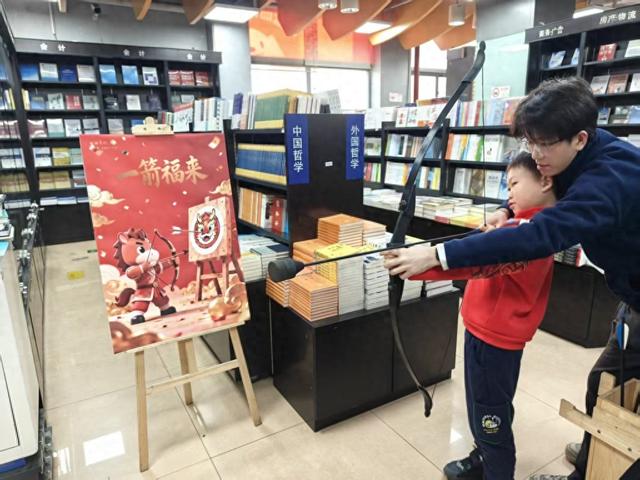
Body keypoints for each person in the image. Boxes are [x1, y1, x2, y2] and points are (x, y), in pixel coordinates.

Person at [383, 76, 640, 480]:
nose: (535, 154)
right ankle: (593, 459)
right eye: (530, 142)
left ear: (579, 139)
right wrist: (507, 210)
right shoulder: (574, 151)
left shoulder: (609, 179)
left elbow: (537, 236)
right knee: (603, 384)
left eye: (544, 144)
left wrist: (434, 255)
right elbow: (541, 189)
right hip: (632, 294)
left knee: (614, 392)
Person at [404, 152, 557, 480]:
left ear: (545, 181)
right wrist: (504, 213)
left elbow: (477, 261)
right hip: (487, 332)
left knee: (490, 417)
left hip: (495, 339)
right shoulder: (527, 223)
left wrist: (417, 266)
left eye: (514, 184)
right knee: (484, 405)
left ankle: (497, 469)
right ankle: (483, 458)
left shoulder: (527, 233)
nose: (509, 192)